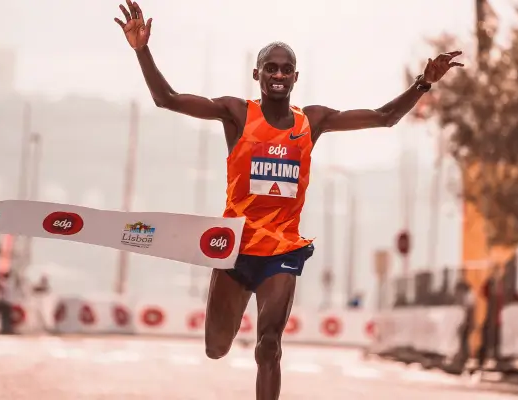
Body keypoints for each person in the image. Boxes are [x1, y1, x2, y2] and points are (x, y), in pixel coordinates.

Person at [115, 2, 463, 398]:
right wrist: (142, 50)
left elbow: (385, 117)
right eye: (271, 68)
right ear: (257, 74)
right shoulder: (236, 114)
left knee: (269, 345)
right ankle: (224, 330)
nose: (278, 75)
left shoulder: (310, 122)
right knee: (216, 348)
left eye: (285, 69)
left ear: (296, 77)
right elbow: (168, 98)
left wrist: (424, 82)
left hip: (281, 249)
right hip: (234, 249)